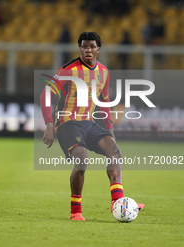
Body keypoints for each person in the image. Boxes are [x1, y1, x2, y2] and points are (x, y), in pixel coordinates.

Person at [40, 32, 144, 221]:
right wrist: (49, 125)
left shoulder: (103, 71)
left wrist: (109, 130)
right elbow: (45, 95)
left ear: (98, 49)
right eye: (84, 46)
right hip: (67, 123)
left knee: (115, 152)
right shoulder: (68, 70)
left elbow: (104, 101)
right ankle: (75, 211)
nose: (88, 50)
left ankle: (118, 202)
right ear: (80, 48)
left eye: (92, 47)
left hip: (88, 123)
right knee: (81, 159)